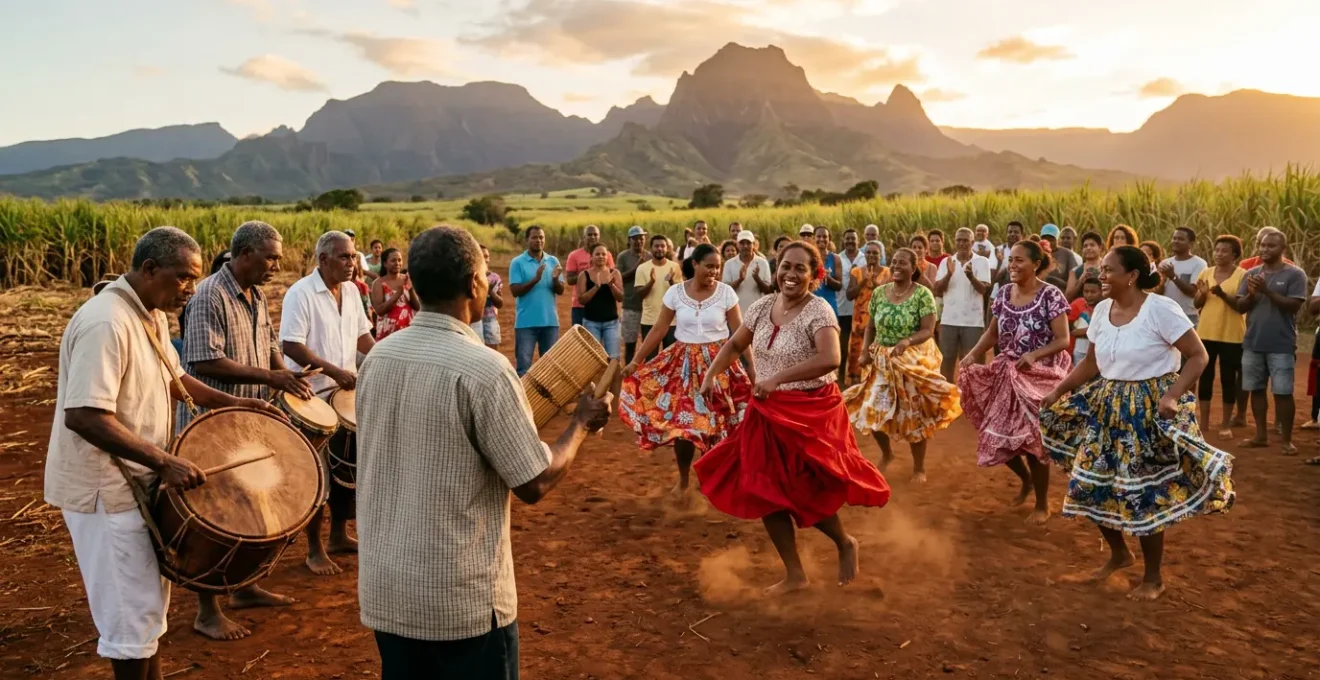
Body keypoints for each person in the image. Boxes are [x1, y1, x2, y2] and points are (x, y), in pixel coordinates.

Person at [356, 226, 611, 679]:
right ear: (475, 284)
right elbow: (534, 482)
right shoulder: (485, 369)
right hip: (459, 601)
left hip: (387, 590)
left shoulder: (377, 358)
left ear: (413, 284)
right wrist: (580, 424)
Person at [48, 227, 283, 680]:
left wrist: (236, 403)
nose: (191, 290)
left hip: (138, 484)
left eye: (194, 279)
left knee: (147, 609)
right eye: (182, 278)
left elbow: (177, 378)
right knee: (129, 617)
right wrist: (164, 460)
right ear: (149, 269)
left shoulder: (148, 314)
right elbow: (83, 415)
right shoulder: (106, 322)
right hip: (106, 491)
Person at [694, 241, 889, 595]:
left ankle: (845, 542)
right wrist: (711, 374)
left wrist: (776, 379)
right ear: (777, 268)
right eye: (786, 266)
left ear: (815, 275)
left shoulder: (820, 312)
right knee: (763, 488)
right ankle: (795, 574)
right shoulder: (762, 306)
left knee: (804, 488)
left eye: (801, 268)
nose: (791, 274)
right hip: (767, 411)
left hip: (810, 411)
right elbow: (736, 344)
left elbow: (831, 358)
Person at [1041, 245, 1234, 601]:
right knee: (1088, 483)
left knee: (1142, 493)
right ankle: (1119, 553)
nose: (1102, 275)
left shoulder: (1160, 310)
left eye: (1110, 270)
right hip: (1108, 406)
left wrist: (1172, 395)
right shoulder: (1101, 310)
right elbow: (1093, 364)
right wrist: (1058, 390)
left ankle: (1153, 577)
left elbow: (1198, 356)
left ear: (1131, 276)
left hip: (1148, 410)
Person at [178, 221, 314, 641]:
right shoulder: (209, 297)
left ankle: (244, 586)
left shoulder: (256, 294)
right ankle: (207, 609)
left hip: (253, 418)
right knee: (217, 515)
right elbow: (202, 362)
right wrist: (271, 379)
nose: (277, 264)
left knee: (254, 511)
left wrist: (285, 377)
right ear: (243, 254)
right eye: (270, 256)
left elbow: (271, 344)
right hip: (214, 424)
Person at [621, 244, 752, 498]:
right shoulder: (675, 294)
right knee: (683, 427)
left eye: (717, 267)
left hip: (720, 364)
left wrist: (752, 366)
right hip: (683, 366)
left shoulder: (726, 294)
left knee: (716, 425)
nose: (714, 271)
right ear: (695, 264)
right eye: (709, 266)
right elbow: (659, 329)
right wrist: (636, 361)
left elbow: (739, 334)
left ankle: (712, 480)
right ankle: (683, 480)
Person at [281, 230, 377, 575]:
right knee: (317, 476)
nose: (352, 263)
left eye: (353, 256)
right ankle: (314, 549)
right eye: (344, 257)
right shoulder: (300, 294)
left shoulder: (351, 291)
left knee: (343, 474)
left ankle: (338, 536)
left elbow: (362, 336)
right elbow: (290, 346)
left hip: (344, 396)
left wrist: (383, 357)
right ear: (323, 260)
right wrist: (336, 371)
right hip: (310, 398)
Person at [958, 240, 1072, 524]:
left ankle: (1043, 503)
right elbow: (992, 333)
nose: (1013, 265)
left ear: (1036, 264)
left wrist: (1034, 355)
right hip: (1008, 372)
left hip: (1042, 374)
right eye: (1010, 260)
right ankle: (1027, 481)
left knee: (1033, 440)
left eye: (1020, 260)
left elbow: (1063, 339)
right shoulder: (1004, 293)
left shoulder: (1051, 295)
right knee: (995, 435)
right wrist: (972, 355)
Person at [843, 248, 961, 482]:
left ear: (913, 267)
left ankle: (919, 467)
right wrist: (865, 351)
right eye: (894, 262)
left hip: (912, 359)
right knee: (872, 412)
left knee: (913, 415)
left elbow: (928, 330)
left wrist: (906, 341)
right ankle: (888, 454)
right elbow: (870, 327)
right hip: (882, 360)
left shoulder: (922, 295)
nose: (896, 266)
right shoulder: (879, 293)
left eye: (903, 263)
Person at [1225, 229, 1307, 455]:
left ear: (1283, 249)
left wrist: (1266, 290)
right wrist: (1251, 294)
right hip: (1253, 342)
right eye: (1262, 245)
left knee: (1283, 392)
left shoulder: (1295, 274)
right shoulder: (1250, 273)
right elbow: (1240, 307)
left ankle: (1287, 440)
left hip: (1281, 343)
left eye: (1271, 246)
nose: (1265, 249)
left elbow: (1293, 306)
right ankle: (1260, 435)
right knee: (1257, 389)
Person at [1193, 235, 1247, 439]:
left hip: (1232, 334)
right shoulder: (1206, 272)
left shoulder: (1243, 275)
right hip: (1206, 332)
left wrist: (1222, 294)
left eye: (1224, 251)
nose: (1219, 254)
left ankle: (1225, 424)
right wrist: (1202, 294)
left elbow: (1241, 305)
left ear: (1234, 255)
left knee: (1228, 379)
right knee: (1205, 377)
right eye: (1217, 250)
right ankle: (1204, 423)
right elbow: (1197, 303)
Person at [934, 227, 991, 381]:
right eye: (959, 240)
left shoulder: (982, 262)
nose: (962, 243)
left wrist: (971, 276)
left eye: (965, 240)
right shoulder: (946, 262)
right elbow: (938, 291)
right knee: (946, 360)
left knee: (973, 363)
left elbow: (983, 290)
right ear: (954, 242)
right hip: (949, 320)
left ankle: (973, 398)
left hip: (973, 322)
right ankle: (947, 396)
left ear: (972, 242)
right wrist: (949, 274)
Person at [509, 226, 564, 377]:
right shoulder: (517, 262)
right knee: (523, 369)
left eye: (541, 237)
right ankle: (522, 400)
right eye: (534, 237)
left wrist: (554, 279)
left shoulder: (553, 261)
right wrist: (535, 280)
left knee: (549, 368)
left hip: (550, 323)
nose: (538, 240)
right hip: (526, 324)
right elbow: (515, 291)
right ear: (527, 240)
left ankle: (547, 401)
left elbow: (560, 290)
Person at [845, 241, 889, 385]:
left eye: (875, 253)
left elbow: (889, 295)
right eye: (868, 252)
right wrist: (863, 281)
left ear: (880, 255)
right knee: (857, 350)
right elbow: (850, 295)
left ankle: (876, 381)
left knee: (877, 349)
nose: (871, 255)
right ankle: (857, 383)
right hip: (859, 319)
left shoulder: (887, 272)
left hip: (879, 319)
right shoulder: (856, 271)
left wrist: (876, 284)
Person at [634, 234, 682, 360]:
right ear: (651, 248)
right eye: (656, 246)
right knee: (650, 359)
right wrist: (651, 282)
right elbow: (639, 294)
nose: (659, 249)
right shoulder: (642, 268)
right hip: (650, 321)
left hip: (671, 322)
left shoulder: (674, 267)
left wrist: (671, 281)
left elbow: (680, 293)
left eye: (662, 246)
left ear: (667, 248)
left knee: (670, 360)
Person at [577, 243, 624, 359]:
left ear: (608, 256)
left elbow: (621, 298)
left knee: (614, 359)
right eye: (597, 254)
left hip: (612, 323)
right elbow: (581, 300)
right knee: (592, 359)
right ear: (591, 257)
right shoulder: (584, 275)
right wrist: (596, 287)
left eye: (604, 254)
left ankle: (613, 378)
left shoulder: (614, 273)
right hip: (591, 323)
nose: (601, 256)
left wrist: (611, 285)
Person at [565, 225, 614, 327]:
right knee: (579, 339)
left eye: (595, 234)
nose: (592, 237)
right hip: (580, 306)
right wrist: (587, 273)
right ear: (584, 237)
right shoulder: (574, 255)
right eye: (589, 234)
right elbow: (569, 280)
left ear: (599, 236)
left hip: (601, 304)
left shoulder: (606, 255)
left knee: (597, 341)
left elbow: (611, 276)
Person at [1157, 227, 1207, 326]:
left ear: (1191, 244)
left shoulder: (1198, 264)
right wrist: (1162, 281)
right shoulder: (1165, 263)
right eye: (1174, 238)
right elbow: (1159, 293)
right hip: (1166, 314)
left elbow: (1193, 292)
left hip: (1187, 315)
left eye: (1181, 239)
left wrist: (1173, 277)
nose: (1176, 241)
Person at [371, 248, 420, 341]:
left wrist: (410, 289)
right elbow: (379, 311)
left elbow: (417, 307)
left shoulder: (406, 279)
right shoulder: (378, 283)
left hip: (407, 330)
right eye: (393, 260)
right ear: (385, 263)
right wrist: (397, 295)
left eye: (399, 260)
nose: (397, 263)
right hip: (388, 332)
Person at [834, 229, 863, 382]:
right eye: (848, 239)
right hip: (842, 308)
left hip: (861, 310)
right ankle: (840, 379)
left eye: (853, 238)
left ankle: (858, 377)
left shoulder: (865, 258)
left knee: (859, 346)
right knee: (842, 346)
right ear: (843, 240)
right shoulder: (838, 258)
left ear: (858, 240)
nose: (850, 241)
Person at [722, 229, 773, 315]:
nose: (745, 246)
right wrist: (740, 280)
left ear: (753, 245)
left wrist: (757, 278)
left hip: (757, 313)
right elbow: (725, 290)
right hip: (736, 313)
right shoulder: (729, 264)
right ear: (737, 245)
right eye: (742, 243)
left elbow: (768, 291)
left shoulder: (762, 263)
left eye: (748, 243)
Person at [617, 226, 648, 363]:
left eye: (641, 238)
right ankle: (629, 377)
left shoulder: (650, 256)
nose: (639, 241)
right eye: (635, 238)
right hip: (630, 305)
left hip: (648, 307)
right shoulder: (623, 257)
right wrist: (636, 268)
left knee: (649, 344)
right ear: (629, 240)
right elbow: (620, 278)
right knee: (630, 344)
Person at [471, 244, 504, 351]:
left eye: (487, 256)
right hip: (474, 320)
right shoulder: (469, 277)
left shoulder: (494, 278)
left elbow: (500, 303)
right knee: (477, 350)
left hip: (491, 319)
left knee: (493, 350)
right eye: (482, 256)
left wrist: (490, 291)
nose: (486, 259)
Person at [1069, 278, 1102, 368]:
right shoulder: (1077, 304)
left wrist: (1083, 332)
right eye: (1086, 291)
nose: (1089, 295)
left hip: (1100, 353)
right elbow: (1072, 331)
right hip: (1079, 352)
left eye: (1093, 292)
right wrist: (1094, 331)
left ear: (1102, 291)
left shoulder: (1107, 307)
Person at [1065, 231, 1105, 300]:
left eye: (1092, 245)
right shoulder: (1075, 271)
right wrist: (1081, 280)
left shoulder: (1108, 268)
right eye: (1085, 246)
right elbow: (1067, 297)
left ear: (1100, 248)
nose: (1088, 248)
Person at [1040, 224, 1078, 291]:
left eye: (1051, 239)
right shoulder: (1036, 253)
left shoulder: (1067, 254)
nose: (1048, 242)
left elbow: (1074, 280)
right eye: (1045, 239)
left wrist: (1053, 280)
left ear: (1058, 240)